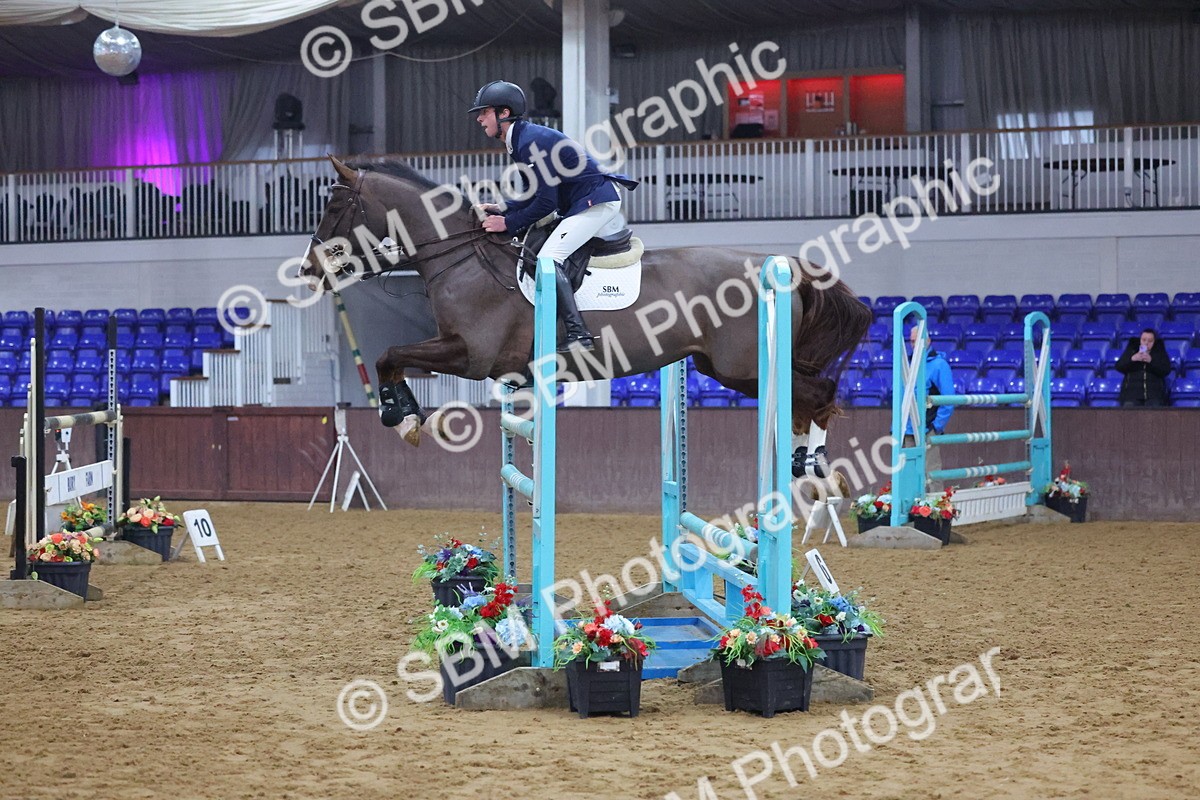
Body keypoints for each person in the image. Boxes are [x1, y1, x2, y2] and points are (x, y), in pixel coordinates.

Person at [469, 80, 637, 353]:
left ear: (503, 113)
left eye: (484, 112)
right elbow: (535, 193)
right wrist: (505, 207)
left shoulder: (529, 142)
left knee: (548, 260)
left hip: (595, 201)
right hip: (580, 201)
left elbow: (546, 203)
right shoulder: (520, 139)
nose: (478, 118)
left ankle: (578, 333)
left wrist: (508, 223)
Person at [903, 324, 956, 490]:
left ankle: (935, 511)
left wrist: (935, 427)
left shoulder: (939, 365)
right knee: (908, 474)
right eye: (911, 341)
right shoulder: (908, 364)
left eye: (916, 341)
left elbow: (948, 399)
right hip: (908, 428)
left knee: (931, 472)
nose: (913, 345)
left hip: (927, 427)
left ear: (928, 341)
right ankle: (911, 511)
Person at [1115, 329, 1171, 407]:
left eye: (1150, 341)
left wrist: (1151, 361)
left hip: (1153, 394)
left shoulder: (1159, 352)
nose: (1146, 343)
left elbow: (1166, 370)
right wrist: (1132, 359)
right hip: (1132, 393)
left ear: (1154, 342)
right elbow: (1119, 366)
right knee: (1129, 408)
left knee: (1154, 409)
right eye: (1144, 340)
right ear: (1140, 340)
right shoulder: (1132, 350)